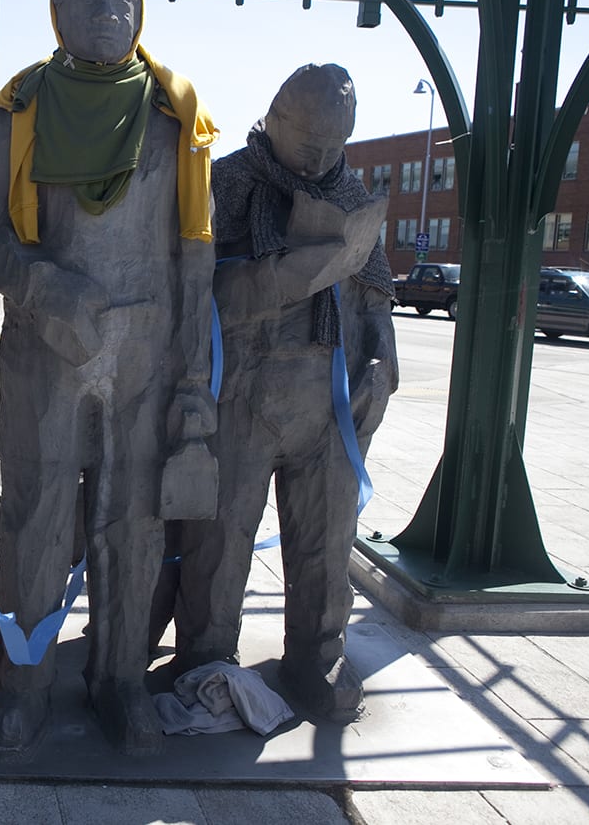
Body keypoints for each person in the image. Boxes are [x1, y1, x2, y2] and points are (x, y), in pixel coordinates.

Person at [0, 0, 219, 757]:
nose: (109, 8)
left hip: (144, 352)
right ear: (57, 10)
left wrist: (191, 376)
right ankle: (26, 679)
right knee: (37, 514)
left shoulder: (176, 114)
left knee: (133, 519)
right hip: (45, 346)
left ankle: (119, 678)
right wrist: (42, 288)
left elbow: (196, 255)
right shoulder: (22, 107)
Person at [169, 63, 396, 722]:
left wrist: (382, 359)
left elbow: (375, 294)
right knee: (221, 534)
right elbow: (191, 295)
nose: (320, 160)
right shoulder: (228, 184)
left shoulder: (351, 192)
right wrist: (289, 276)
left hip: (330, 405)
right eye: (309, 145)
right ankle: (207, 652)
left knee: (327, 537)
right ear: (274, 118)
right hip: (242, 391)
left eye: (333, 147)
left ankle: (317, 654)